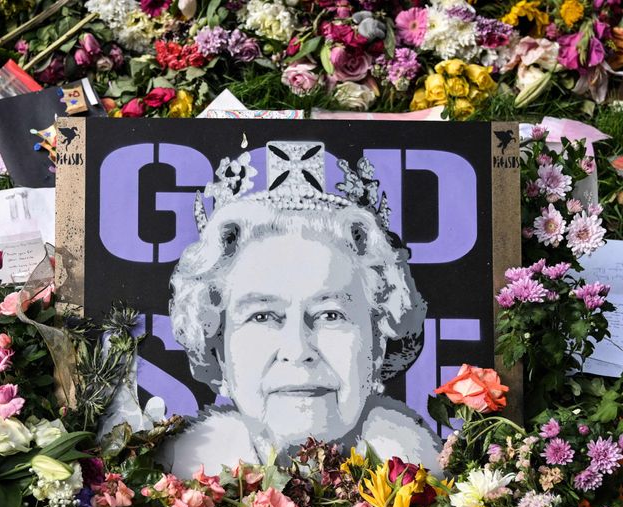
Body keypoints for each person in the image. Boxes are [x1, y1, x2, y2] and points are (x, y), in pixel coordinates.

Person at [160, 142, 441, 476]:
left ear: (378, 345)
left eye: (330, 314)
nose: (298, 349)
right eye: (262, 316)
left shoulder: (449, 503)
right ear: (218, 352)